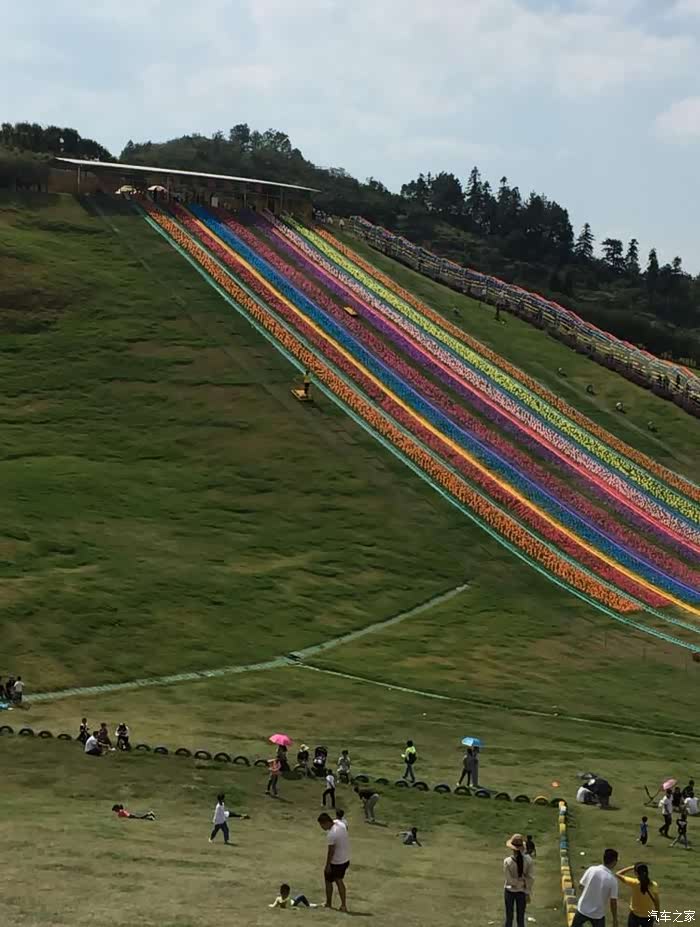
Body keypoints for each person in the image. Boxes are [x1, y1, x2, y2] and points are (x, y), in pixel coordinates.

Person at [572, 848, 619, 927]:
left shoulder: (591, 869)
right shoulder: (612, 880)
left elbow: (581, 886)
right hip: (598, 914)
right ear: (614, 862)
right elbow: (613, 902)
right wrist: (615, 919)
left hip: (582, 908)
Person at [318, 812, 350, 913]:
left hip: (338, 861)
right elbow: (346, 826)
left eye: (322, 825)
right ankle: (329, 903)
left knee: (338, 880)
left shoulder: (332, 834)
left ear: (326, 823)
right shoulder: (340, 823)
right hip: (345, 858)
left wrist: (327, 865)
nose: (322, 827)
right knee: (328, 880)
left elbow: (331, 851)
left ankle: (343, 905)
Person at [503, 833, 534, 927]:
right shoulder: (528, 860)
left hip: (509, 890)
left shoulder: (507, 861)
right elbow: (530, 878)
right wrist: (526, 890)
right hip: (522, 891)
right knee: (521, 918)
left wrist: (517, 883)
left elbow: (509, 880)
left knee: (509, 917)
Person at [615, 863, 660, 927]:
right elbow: (657, 903)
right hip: (648, 916)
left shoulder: (634, 883)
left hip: (635, 915)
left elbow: (618, 874)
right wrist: (657, 916)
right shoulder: (654, 885)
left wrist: (632, 867)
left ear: (636, 873)